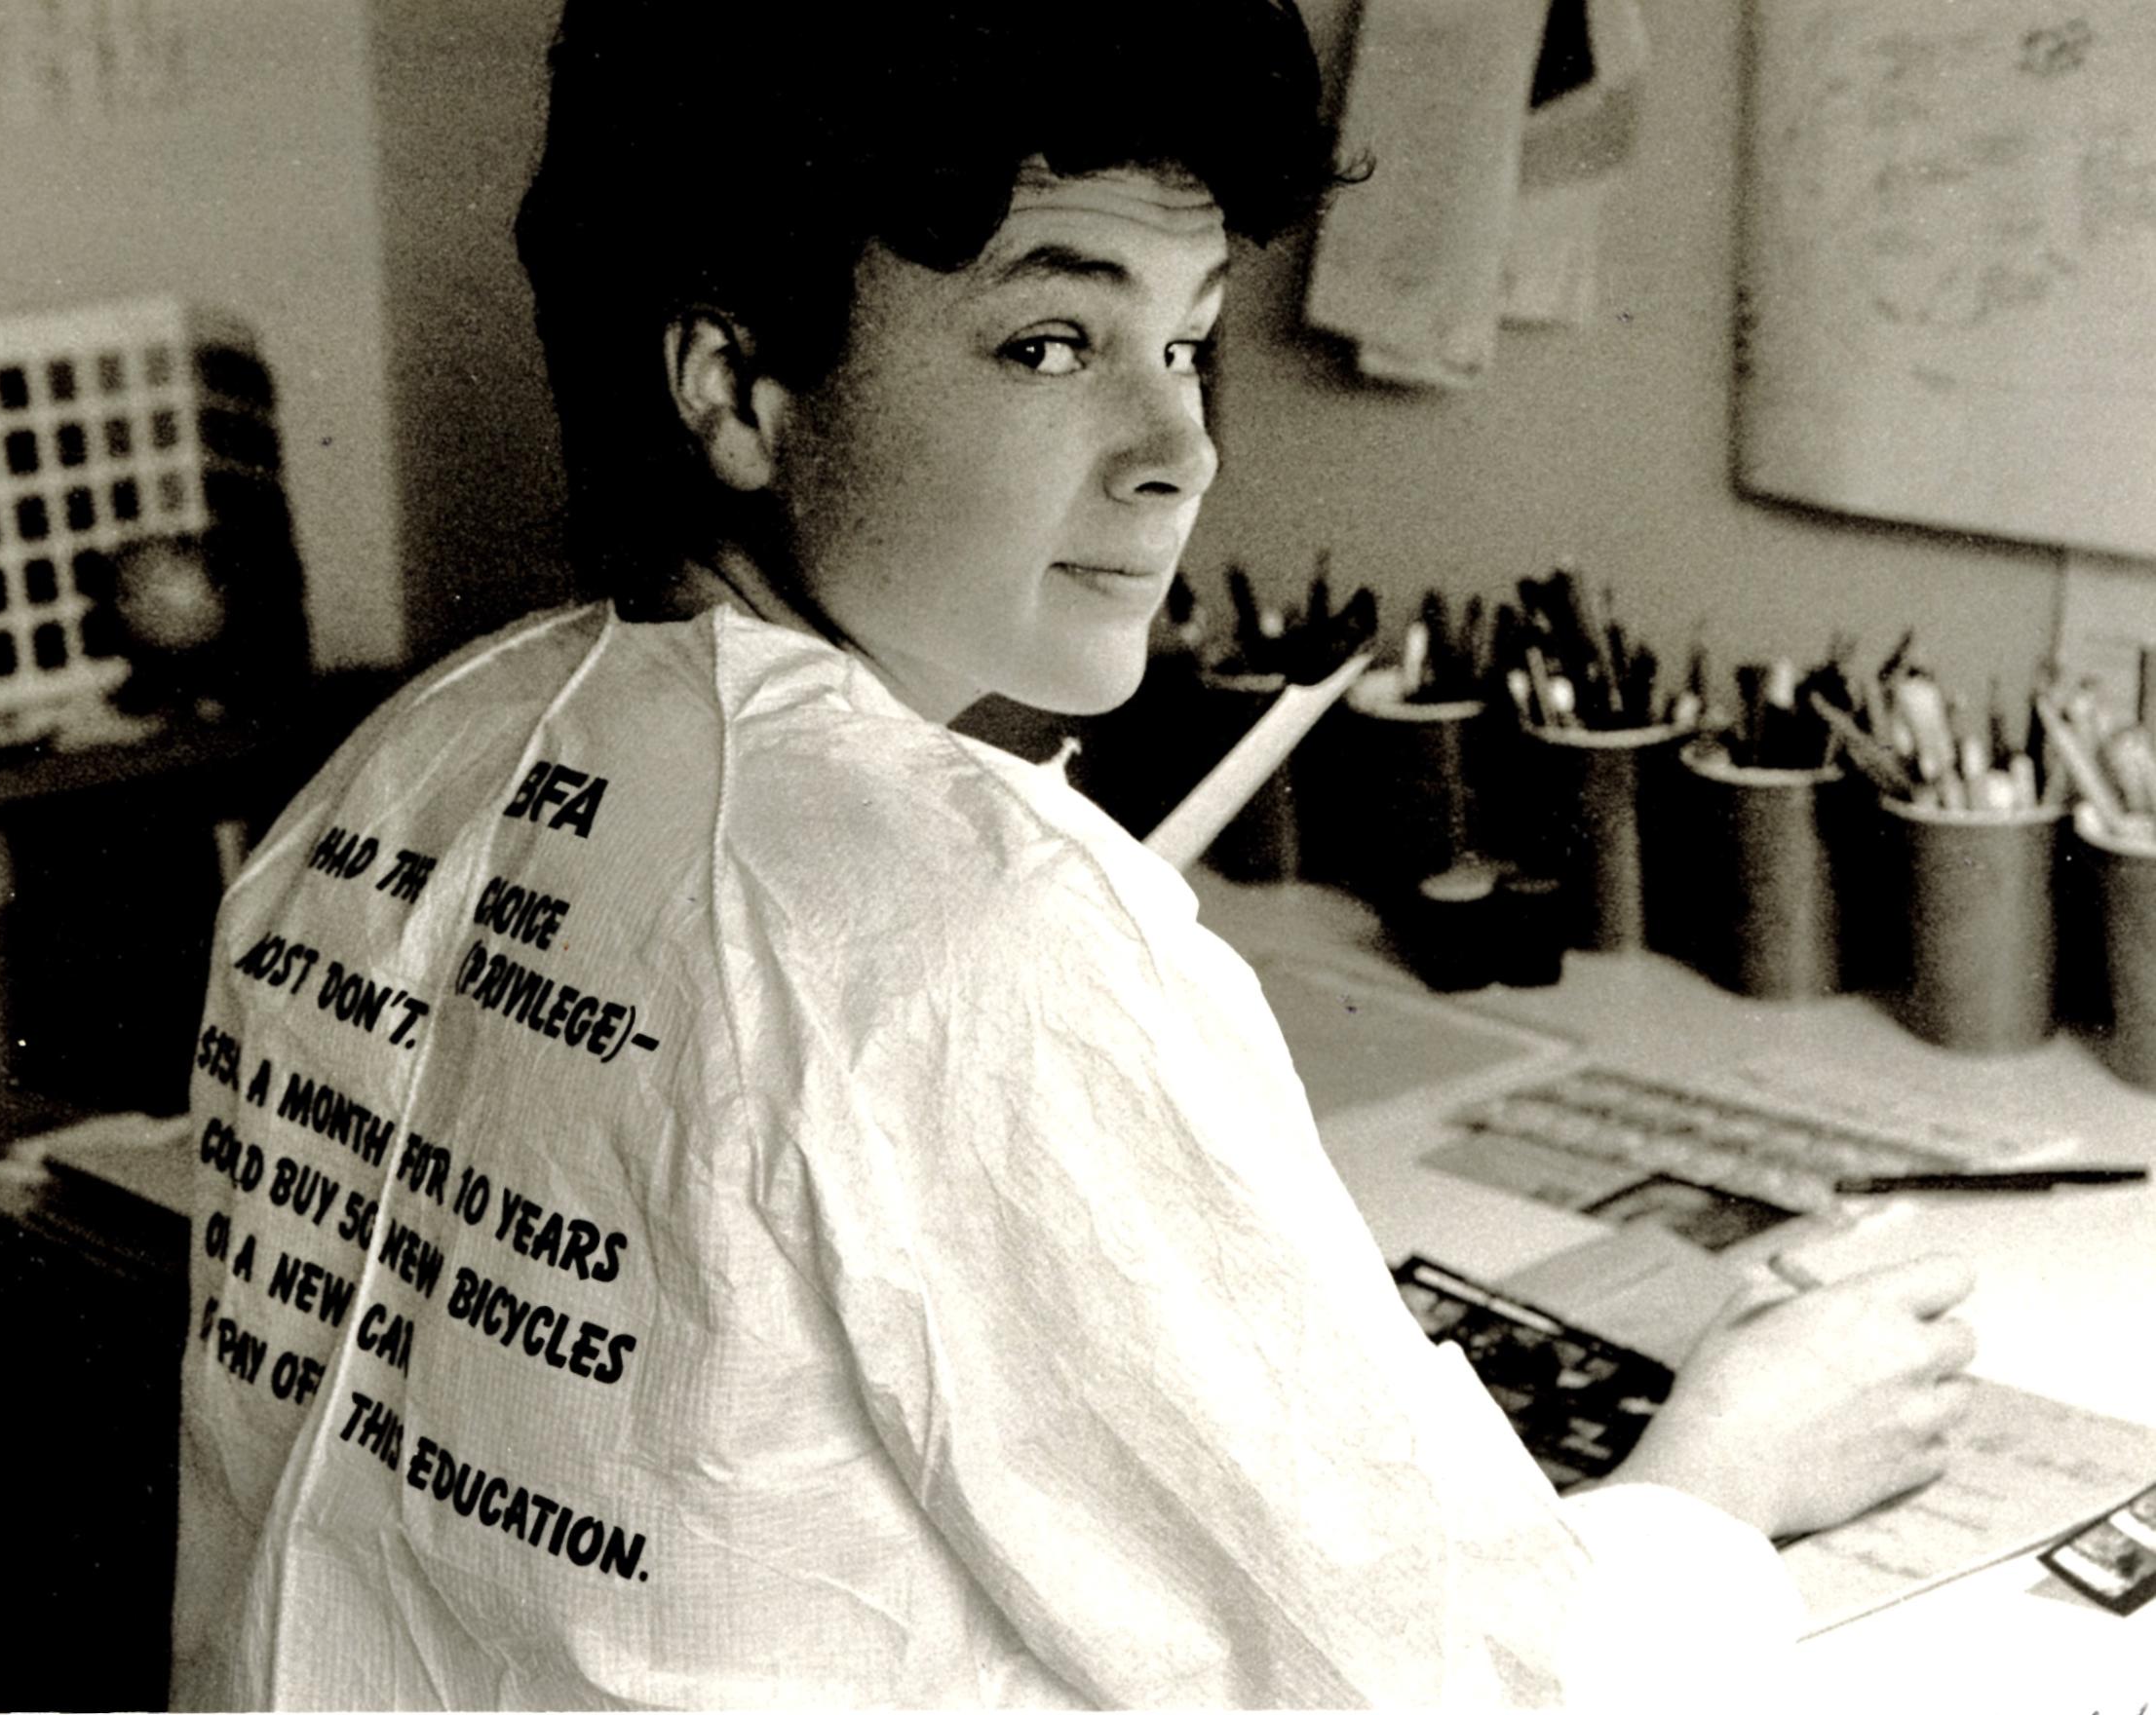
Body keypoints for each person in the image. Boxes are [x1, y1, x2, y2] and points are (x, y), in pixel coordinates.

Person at [169, 0, 1978, 1705]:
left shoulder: (420, 752)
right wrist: (1719, 1489)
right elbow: (1432, 1686)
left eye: (1183, 336)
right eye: (1054, 340)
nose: (1179, 447)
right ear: (734, 385)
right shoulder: (965, 920)